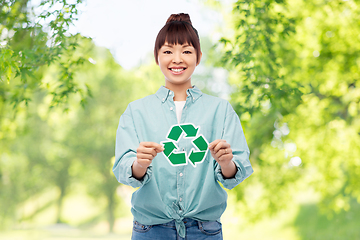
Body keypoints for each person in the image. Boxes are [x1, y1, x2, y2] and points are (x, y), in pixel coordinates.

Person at [112, 13, 253, 240]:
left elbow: (236, 170)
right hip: (151, 230)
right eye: (168, 51)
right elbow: (123, 168)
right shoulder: (136, 111)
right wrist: (139, 163)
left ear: (198, 57)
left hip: (205, 231)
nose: (177, 59)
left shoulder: (220, 110)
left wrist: (227, 162)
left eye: (186, 51)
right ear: (156, 57)